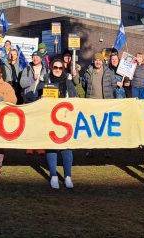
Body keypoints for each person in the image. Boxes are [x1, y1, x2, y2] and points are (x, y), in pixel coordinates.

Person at [42, 58, 78, 189]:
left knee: (67, 147)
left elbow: (76, 98)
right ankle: (54, 176)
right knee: (51, 146)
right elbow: (39, 97)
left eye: (60, 68)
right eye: (55, 67)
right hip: (50, 118)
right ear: (51, 68)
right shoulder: (46, 81)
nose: (57, 70)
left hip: (65, 118)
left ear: (63, 69)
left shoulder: (68, 82)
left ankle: (68, 176)